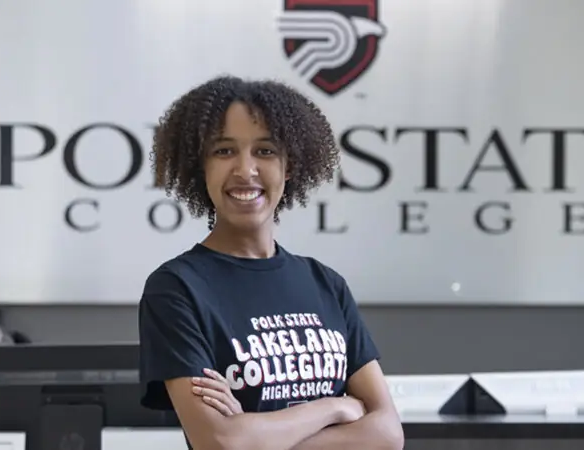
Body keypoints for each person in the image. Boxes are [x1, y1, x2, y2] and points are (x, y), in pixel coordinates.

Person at [138, 75, 404, 450]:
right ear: (201, 167)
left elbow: (388, 434)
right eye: (224, 151)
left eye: (265, 151)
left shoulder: (325, 284)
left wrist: (255, 434)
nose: (245, 170)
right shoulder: (177, 289)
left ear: (289, 165)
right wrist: (333, 407)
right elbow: (220, 442)